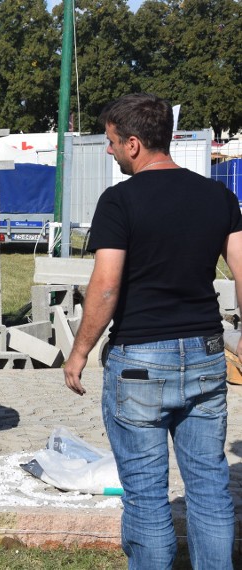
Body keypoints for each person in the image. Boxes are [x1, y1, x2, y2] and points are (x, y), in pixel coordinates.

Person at [63, 93, 242, 569]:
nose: (109, 150)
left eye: (111, 141)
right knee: (208, 486)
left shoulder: (119, 200)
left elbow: (104, 288)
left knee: (145, 496)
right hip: (206, 353)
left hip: (140, 358)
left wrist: (79, 352)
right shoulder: (219, 197)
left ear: (135, 144)